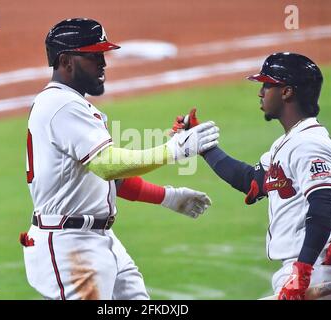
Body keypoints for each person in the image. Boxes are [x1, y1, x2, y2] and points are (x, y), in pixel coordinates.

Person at [19, 18, 219, 300]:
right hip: (70, 247)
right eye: (93, 56)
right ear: (66, 61)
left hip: (98, 239)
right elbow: (107, 164)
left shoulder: (72, 104)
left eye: (102, 55)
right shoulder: (61, 105)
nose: (103, 63)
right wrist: (173, 150)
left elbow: (113, 180)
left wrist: (168, 197)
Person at [173, 53, 331, 300]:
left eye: (267, 85)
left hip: (314, 267)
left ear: (287, 92)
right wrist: (204, 147)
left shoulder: (310, 145)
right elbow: (250, 180)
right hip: (306, 267)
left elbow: (321, 210)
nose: (261, 92)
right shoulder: (288, 142)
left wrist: (302, 272)